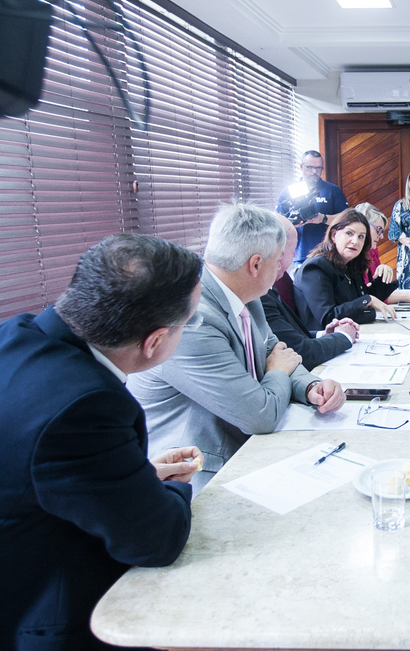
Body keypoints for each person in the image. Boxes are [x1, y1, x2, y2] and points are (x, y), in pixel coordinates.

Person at [0, 234, 203, 651]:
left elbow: (31, 465)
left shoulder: (5, 336)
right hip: (15, 615)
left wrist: (130, 476)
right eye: (189, 322)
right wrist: (169, 489)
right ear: (155, 341)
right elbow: (157, 540)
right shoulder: (86, 405)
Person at [130, 204, 345, 493]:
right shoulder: (190, 319)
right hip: (197, 472)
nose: (283, 270)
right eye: (279, 259)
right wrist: (279, 371)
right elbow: (259, 414)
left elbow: (278, 354)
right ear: (255, 265)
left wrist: (311, 387)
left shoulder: (247, 295)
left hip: (249, 448)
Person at [262, 217, 360, 371]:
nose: (295, 255)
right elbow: (300, 351)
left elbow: (290, 335)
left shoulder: (268, 286)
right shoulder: (260, 293)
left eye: (361, 237)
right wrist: (344, 336)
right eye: (292, 248)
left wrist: (323, 334)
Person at [295, 208, 398, 329]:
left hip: (350, 334)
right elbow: (328, 317)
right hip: (322, 340)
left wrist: (382, 280)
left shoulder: (350, 264)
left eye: (361, 237)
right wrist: (367, 300)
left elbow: (361, 301)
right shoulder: (316, 267)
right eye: (349, 233)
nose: (355, 241)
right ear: (334, 235)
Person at [276, 149, 349, 265]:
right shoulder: (288, 192)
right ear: (301, 166)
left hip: (329, 253)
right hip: (300, 254)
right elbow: (276, 224)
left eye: (318, 168)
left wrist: (322, 218)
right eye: (309, 167)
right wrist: (293, 224)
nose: (314, 171)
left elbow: (346, 219)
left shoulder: (332, 190)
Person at [355, 202, 410, 304]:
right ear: (363, 225)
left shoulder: (372, 251)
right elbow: (365, 298)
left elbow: (380, 293)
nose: (381, 236)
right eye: (378, 230)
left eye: (382, 232)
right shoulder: (352, 256)